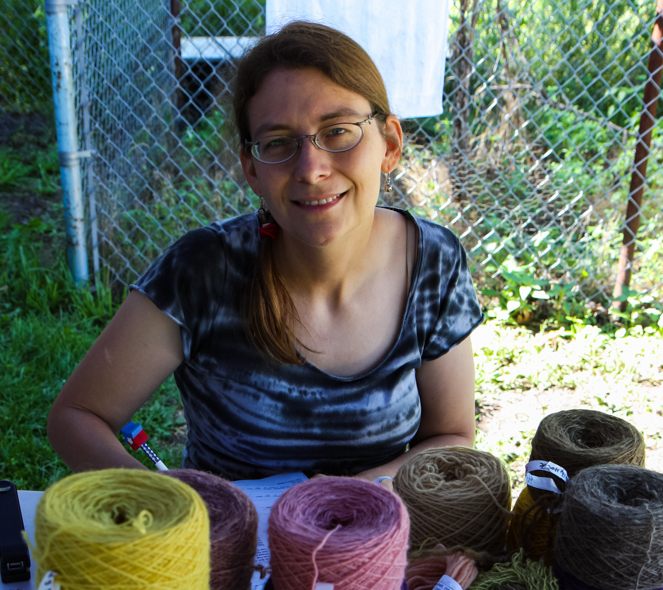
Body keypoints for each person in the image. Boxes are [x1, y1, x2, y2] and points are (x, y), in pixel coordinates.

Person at [48, 21, 483, 482]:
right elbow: (76, 416)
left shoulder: (432, 262)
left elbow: (451, 436)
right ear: (252, 169)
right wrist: (160, 500)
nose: (311, 169)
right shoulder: (203, 271)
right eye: (278, 142)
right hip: (227, 546)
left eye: (337, 131)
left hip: (375, 545)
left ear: (389, 145)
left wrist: (345, 500)